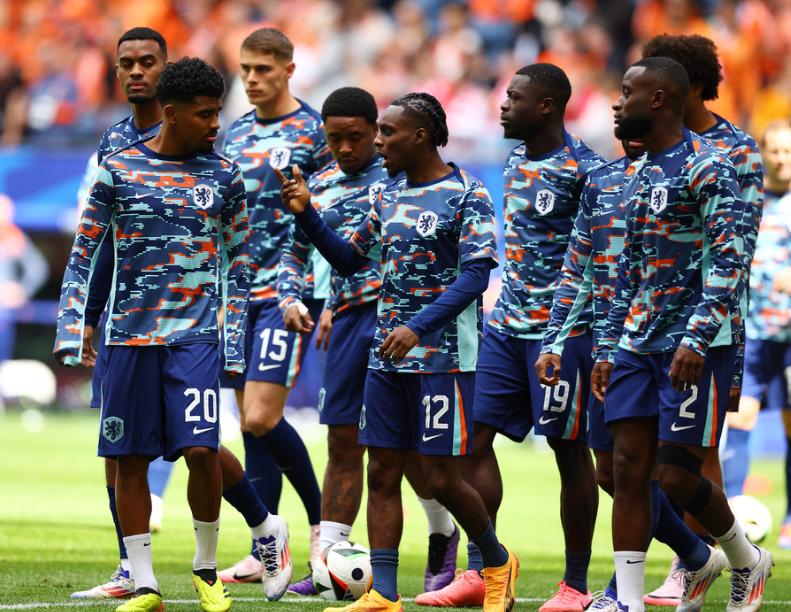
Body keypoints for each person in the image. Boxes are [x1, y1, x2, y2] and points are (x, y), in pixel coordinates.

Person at [277, 91, 518, 612]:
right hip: (386, 355)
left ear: (421, 137)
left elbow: (477, 275)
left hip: (444, 358)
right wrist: (306, 214)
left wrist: (418, 326)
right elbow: (346, 259)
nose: (379, 142)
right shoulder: (385, 197)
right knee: (382, 471)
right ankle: (384, 593)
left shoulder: (467, 194)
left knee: (439, 479)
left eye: (387, 132)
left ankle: (496, 561)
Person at [54, 56, 249, 612]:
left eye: (218, 113)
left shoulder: (224, 175)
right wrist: (74, 326)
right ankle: (145, 584)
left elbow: (240, 265)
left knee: (200, 449)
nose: (216, 124)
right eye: (205, 114)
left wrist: (231, 339)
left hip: (195, 337)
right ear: (170, 112)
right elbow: (84, 254)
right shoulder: (118, 170)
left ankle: (205, 569)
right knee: (130, 458)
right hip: (128, 338)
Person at [419, 63, 603, 612]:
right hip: (504, 326)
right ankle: (485, 565)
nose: (501, 106)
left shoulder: (585, 171)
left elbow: (590, 261)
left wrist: (564, 329)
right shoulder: (516, 157)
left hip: (562, 333)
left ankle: (574, 584)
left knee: (569, 453)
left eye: (513, 98)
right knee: (473, 444)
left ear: (546, 106)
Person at [591, 56, 772, 612]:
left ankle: (744, 558)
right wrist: (605, 346)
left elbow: (730, 259)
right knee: (626, 470)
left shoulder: (709, 167)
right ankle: (628, 601)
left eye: (627, 93)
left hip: (693, 349)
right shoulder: (639, 173)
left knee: (672, 475)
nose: (617, 104)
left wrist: (696, 338)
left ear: (660, 100)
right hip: (636, 345)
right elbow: (628, 268)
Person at [639, 34, 764, 606]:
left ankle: (699, 562)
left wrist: (702, 323)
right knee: (654, 455)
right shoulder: (647, 151)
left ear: (680, 87)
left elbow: (738, 248)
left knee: (696, 452)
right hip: (648, 327)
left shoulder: (736, 151)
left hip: (708, 328)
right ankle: (707, 558)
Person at [217, 27, 332, 589]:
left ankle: (318, 529)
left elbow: (332, 211)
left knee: (262, 415)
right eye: (245, 69)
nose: (252, 79)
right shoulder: (233, 134)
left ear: (288, 69)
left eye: (263, 69)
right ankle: (264, 545)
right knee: (249, 426)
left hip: (288, 293)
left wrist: (327, 293)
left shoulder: (314, 132)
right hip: (237, 294)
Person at [721, 119, 791, 550]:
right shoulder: (749, 200)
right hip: (751, 332)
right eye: (775, 151)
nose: (782, 159)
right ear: (762, 153)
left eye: (789, 152)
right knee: (739, 418)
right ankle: (730, 517)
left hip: (789, 336)